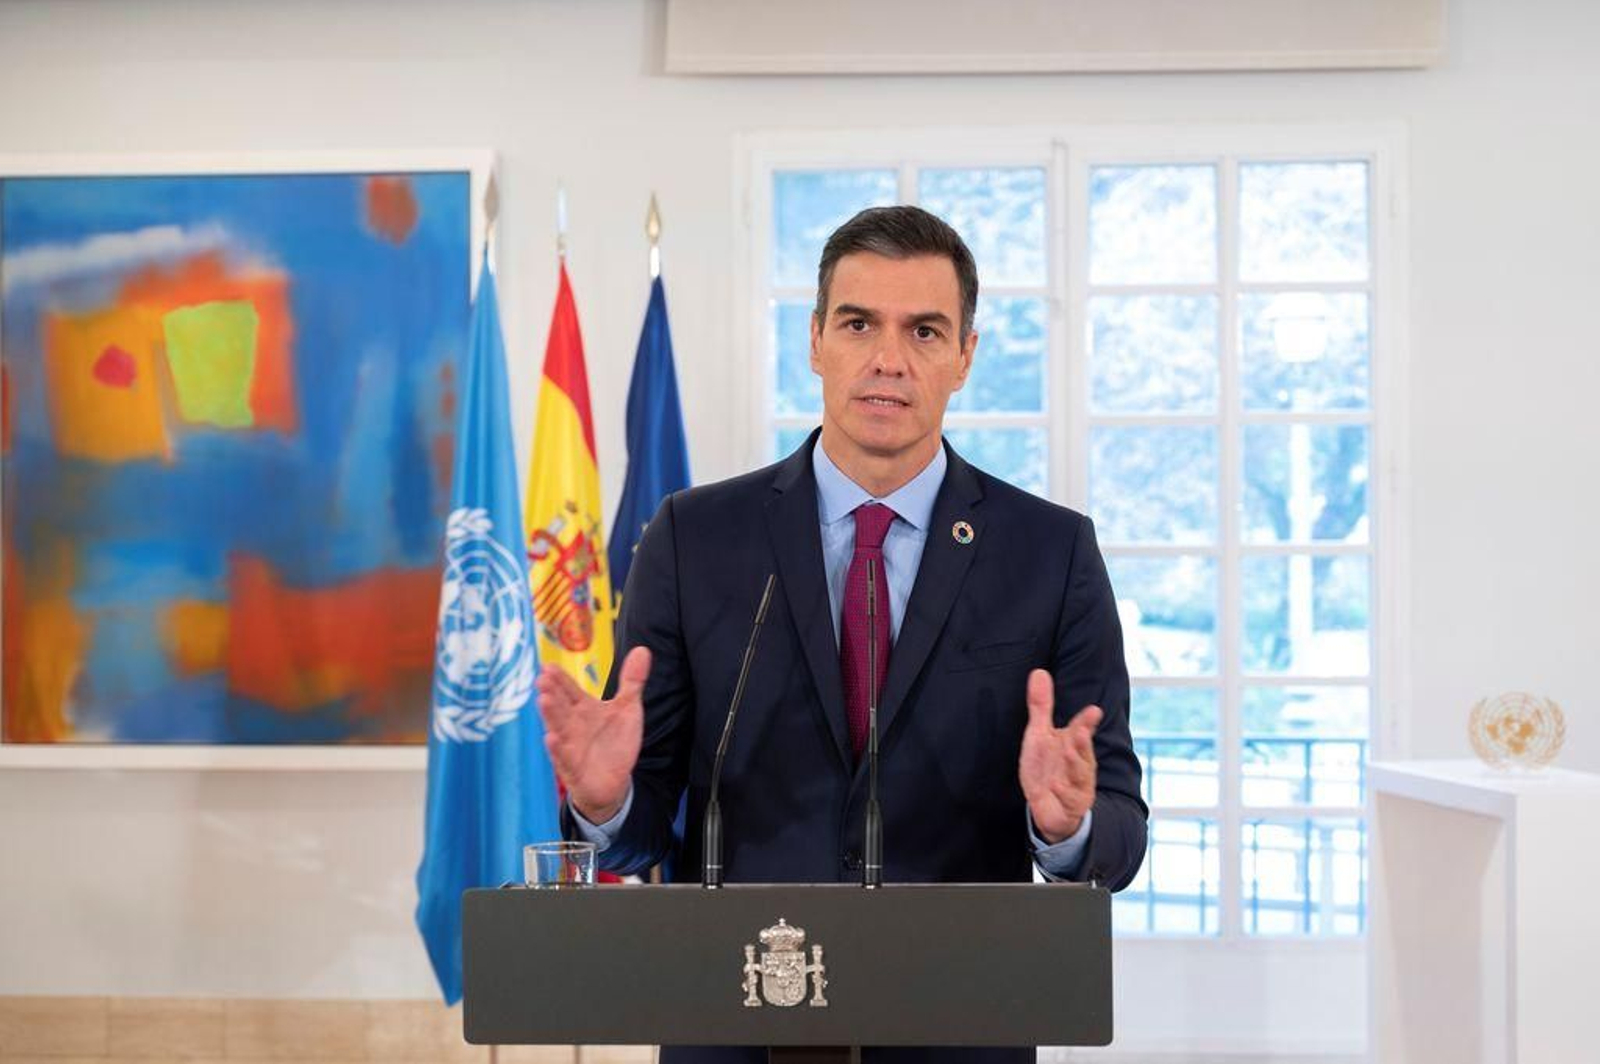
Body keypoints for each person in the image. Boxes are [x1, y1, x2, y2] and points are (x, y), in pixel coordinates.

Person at [536, 206, 1147, 1064]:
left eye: (925, 331)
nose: (888, 359)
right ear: (816, 340)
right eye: (860, 324)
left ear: (966, 356)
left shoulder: (1050, 552)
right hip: (735, 1022)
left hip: (958, 1027)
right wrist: (605, 802)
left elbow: (1120, 835)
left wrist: (1067, 828)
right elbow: (644, 833)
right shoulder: (693, 538)